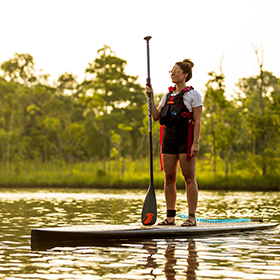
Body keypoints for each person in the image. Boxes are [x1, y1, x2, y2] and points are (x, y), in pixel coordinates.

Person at [145, 59, 203, 226]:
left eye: (176, 71)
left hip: (186, 138)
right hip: (168, 139)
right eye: (171, 71)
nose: (172, 73)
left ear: (185, 75)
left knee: (189, 178)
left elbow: (197, 121)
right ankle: (170, 217)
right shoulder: (167, 95)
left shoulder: (194, 95)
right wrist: (151, 97)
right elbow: (156, 117)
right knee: (168, 178)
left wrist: (196, 143)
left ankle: (191, 217)